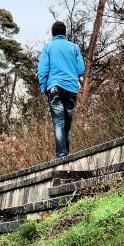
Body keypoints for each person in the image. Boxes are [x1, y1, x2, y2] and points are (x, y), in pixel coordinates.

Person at [38, 21, 86, 158]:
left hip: (54, 87)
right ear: (65, 33)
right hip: (71, 88)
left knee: (58, 121)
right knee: (68, 122)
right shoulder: (74, 47)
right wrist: (72, 77)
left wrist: (44, 88)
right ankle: (67, 152)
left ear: (53, 33)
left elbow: (43, 70)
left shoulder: (48, 48)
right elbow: (81, 69)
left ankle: (61, 154)